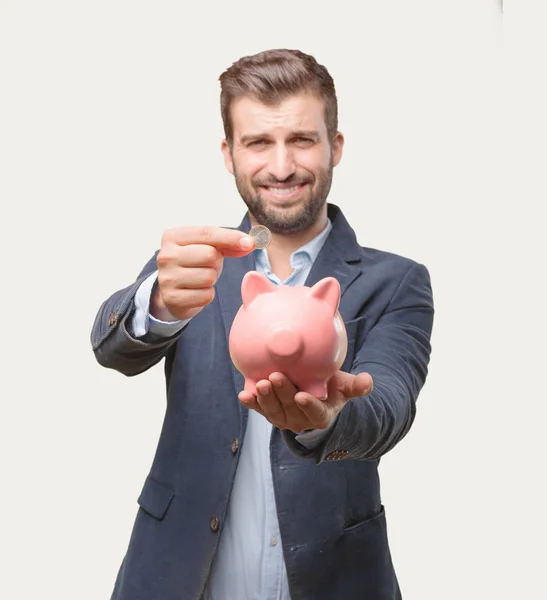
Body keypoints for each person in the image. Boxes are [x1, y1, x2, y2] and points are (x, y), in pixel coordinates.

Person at [91, 48, 434, 600]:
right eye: (258, 143)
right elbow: (111, 350)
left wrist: (329, 418)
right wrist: (157, 300)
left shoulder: (396, 281)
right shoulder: (193, 266)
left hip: (335, 580)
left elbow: (389, 407)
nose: (280, 167)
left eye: (301, 139)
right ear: (229, 154)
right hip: (176, 577)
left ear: (335, 146)